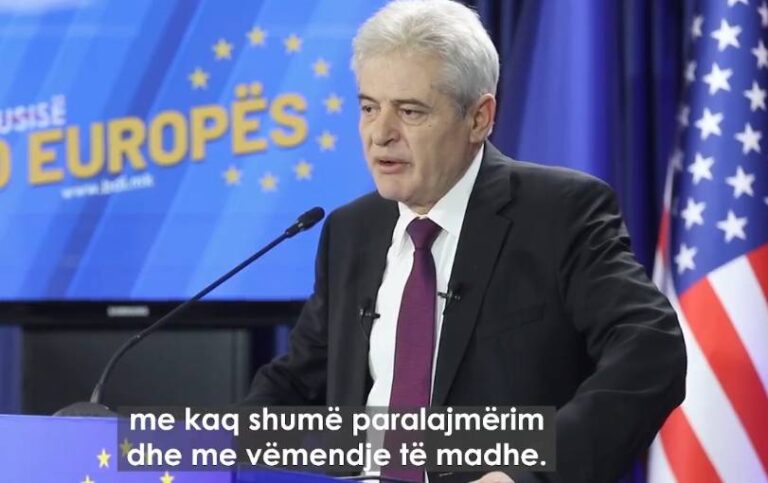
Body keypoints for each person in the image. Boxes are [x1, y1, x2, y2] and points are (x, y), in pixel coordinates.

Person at [243, 1, 687, 482]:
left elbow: (651, 350)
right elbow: (296, 380)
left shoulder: (559, 213)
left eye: (410, 111)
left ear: (479, 117)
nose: (380, 134)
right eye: (369, 108)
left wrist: (525, 473)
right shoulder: (351, 231)